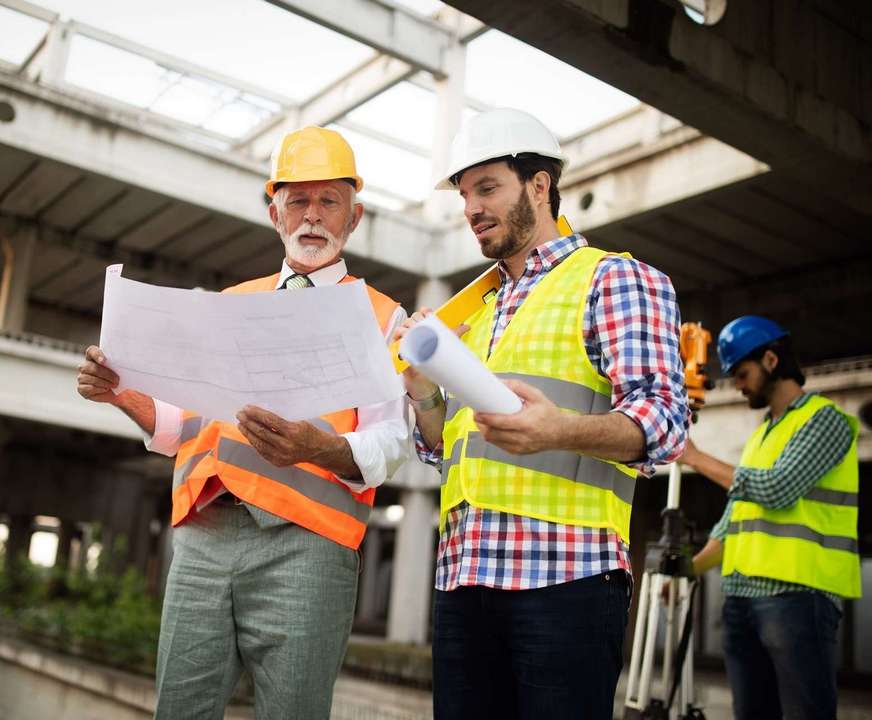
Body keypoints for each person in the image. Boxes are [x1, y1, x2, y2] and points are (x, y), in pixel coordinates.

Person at [76, 126, 410, 720]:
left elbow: (391, 445)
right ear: (274, 211)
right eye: (297, 200)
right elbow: (185, 424)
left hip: (307, 548)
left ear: (354, 216)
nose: (313, 216)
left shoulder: (381, 316)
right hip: (204, 537)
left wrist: (315, 447)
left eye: (328, 201)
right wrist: (122, 394)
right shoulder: (232, 300)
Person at [397, 108, 689, 719]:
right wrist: (423, 389)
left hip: (566, 583)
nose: (471, 207)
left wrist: (561, 429)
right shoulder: (471, 313)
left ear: (539, 186)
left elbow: (666, 420)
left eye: (487, 187)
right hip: (464, 579)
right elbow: (437, 450)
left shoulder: (613, 279)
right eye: (464, 193)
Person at [679, 316, 860, 720]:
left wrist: (694, 458)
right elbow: (734, 522)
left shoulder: (823, 420)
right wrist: (687, 572)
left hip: (797, 598)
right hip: (742, 602)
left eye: (742, 374)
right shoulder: (764, 433)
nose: (737, 385)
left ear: (772, 361)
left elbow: (776, 490)